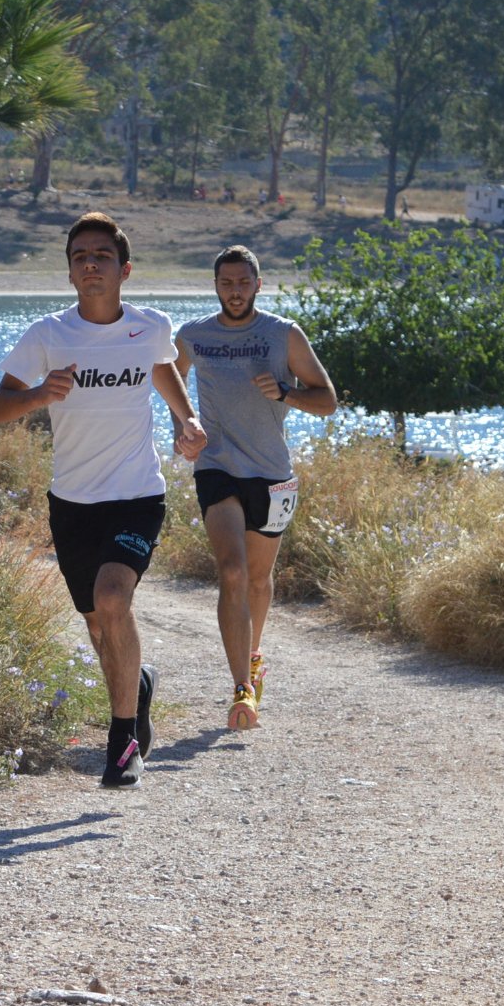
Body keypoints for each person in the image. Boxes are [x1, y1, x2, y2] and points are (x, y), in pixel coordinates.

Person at [0, 212, 206, 788]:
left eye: (101, 255)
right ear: (69, 272)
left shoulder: (150, 325)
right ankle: (138, 685)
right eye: (80, 255)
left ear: (123, 269)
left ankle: (123, 739)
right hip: (72, 503)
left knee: (114, 599)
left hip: (137, 495)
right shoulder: (48, 335)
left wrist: (188, 418)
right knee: (96, 625)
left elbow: (162, 370)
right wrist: (39, 393)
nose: (90, 263)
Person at [173, 245, 337, 731]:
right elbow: (168, 381)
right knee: (232, 571)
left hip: (271, 473)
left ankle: (254, 656)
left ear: (258, 284)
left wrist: (286, 393)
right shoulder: (193, 336)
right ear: (216, 286)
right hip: (216, 467)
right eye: (226, 283)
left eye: (244, 282)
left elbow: (327, 401)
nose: (235, 290)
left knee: (260, 581)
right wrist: (183, 428)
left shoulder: (283, 334)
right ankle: (242, 686)